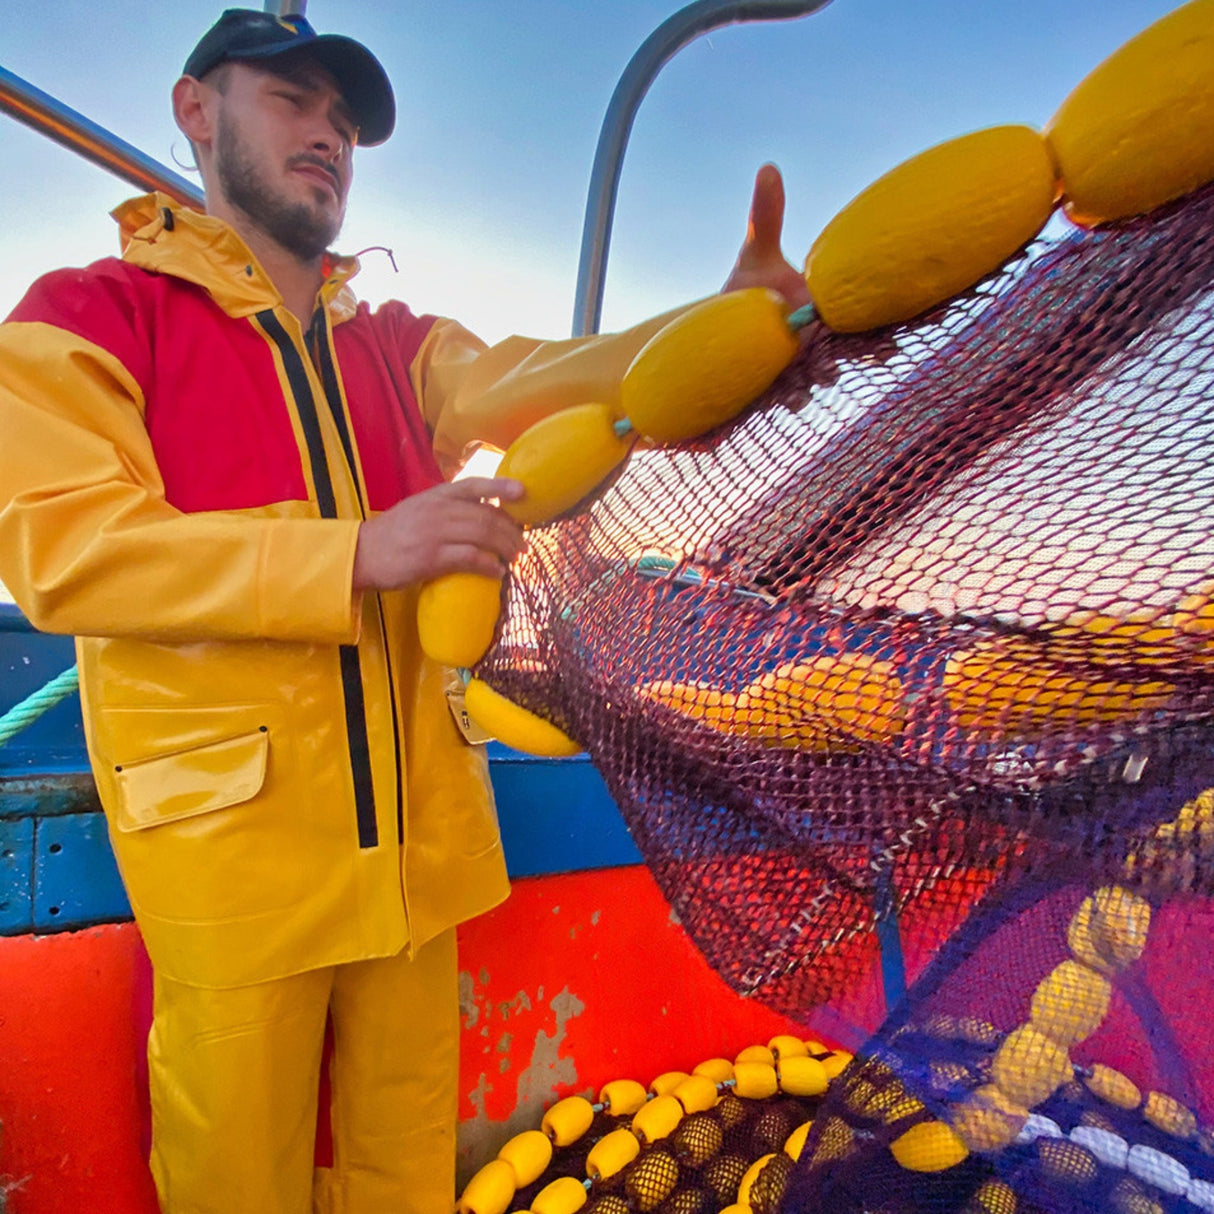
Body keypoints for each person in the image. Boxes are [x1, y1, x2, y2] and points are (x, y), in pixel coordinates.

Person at [0, 9, 808, 1212]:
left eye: (343, 120)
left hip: (420, 858)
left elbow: (537, 373)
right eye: (290, 100)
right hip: (232, 868)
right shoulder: (86, 314)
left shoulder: (398, 343)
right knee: (236, 1185)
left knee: (404, 1175)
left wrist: (733, 329)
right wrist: (358, 551)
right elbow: (65, 551)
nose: (326, 134)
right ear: (193, 109)